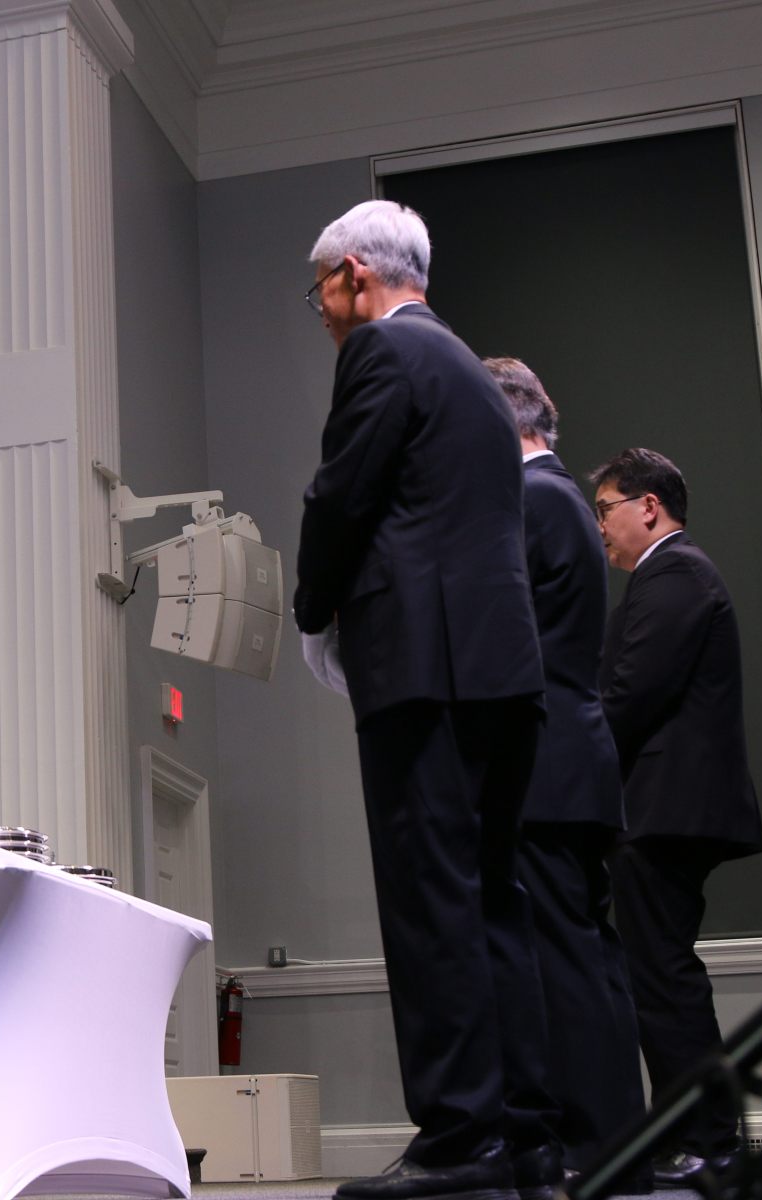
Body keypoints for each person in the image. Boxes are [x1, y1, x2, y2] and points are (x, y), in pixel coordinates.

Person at [294, 200, 559, 1200]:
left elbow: (342, 493)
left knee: (428, 901)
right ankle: (525, 1139)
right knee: (493, 897)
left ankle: (457, 1143)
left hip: (421, 665)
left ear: (356, 274)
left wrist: (312, 610)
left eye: (320, 291)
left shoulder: (383, 351)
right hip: (502, 669)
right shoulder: (476, 376)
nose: (322, 312)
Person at [484, 359, 647, 1190]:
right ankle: (611, 1142)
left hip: (546, 762)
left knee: (567, 964)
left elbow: (499, 627)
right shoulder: (561, 498)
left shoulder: (535, 498)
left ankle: (603, 1145)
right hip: (570, 761)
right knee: (582, 959)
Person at [591, 447, 762, 1185]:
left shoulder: (675, 573)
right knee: (658, 974)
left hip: (665, 810)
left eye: (606, 509)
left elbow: (631, 692)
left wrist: (570, 759)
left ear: (649, 506)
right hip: (664, 809)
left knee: (662, 976)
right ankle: (689, 1136)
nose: (600, 527)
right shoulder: (672, 576)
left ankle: (707, 1140)